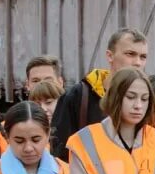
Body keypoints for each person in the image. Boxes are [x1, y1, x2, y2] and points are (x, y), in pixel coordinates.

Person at [52, 28, 148, 159]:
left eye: (143, 57)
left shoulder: (151, 98)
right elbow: (61, 151)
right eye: (130, 54)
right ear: (110, 56)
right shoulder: (79, 95)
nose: (138, 62)